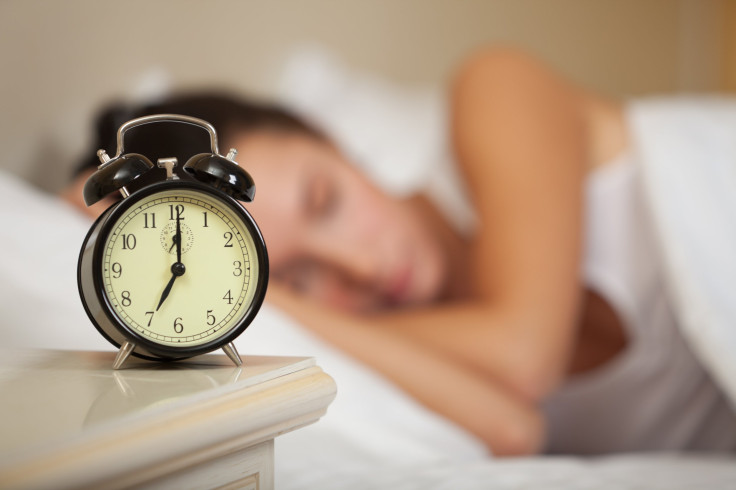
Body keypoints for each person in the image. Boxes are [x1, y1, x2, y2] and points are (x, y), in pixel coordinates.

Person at [63, 47, 736, 456]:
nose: (362, 267)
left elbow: (524, 359)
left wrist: (264, 289)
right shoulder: (401, 353)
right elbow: (511, 430)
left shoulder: (494, 92)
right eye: (299, 277)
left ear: (333, 140)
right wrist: (254, 297)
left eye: (325, 200)